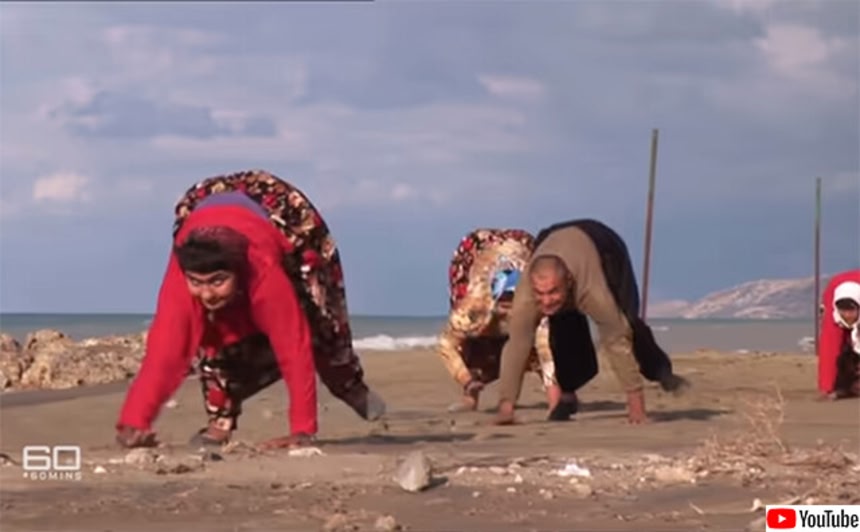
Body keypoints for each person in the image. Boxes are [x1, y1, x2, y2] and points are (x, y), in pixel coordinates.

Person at [115, 169, 386, 450]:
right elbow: (164, 352)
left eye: (217, 281)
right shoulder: (181, 280)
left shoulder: (262, 271)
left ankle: (347, 384)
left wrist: (303, 431)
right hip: (208, 202)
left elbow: (292, 345)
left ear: (238, 271)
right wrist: (134, 422)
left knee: (319, 314)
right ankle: (220, 421)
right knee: (211, 333)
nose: (206, 294)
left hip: (280, 212)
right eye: (197, 283)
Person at [493, 219, 689, 426]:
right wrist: (506, 407)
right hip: (554, 239)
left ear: (569, 281)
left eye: (553, 292)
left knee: (625, 322)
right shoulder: (527, 295)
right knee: (560, 321)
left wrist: (636, 403)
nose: (546, 300)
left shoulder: (591, 290)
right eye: (540, 294)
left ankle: (661, 371)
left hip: (602, 245)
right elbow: (517, 345)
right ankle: (568, 394)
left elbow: (615, 339)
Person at [438, 228, 561, 413]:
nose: (508, 305)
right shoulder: (475, 305)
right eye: (504, 299)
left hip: (521, 251)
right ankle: (470, 396)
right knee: (471, 342)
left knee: (543, 341)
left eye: (512, 300)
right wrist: (466, 379)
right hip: (481, 255)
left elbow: (545, 351)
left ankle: (558, 393)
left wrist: (554, 403)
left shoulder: (534, 305)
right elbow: (446, 343)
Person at [818, 270, 860, 400]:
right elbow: (828, 350)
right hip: (837, 290)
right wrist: (826, 389)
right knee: (835, 345)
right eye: (843, 311)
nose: (847, 315)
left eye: (851, 311)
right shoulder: (832, 311)